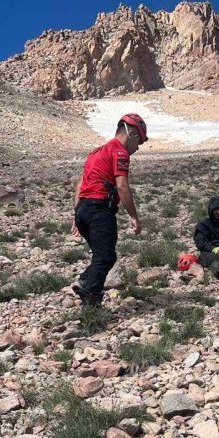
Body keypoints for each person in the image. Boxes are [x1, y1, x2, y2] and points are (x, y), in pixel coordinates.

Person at [70, 113, 147, 306]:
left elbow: (80, 185)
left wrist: (76, 217)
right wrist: (134, 217)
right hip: (99, 209)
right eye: (139, 142)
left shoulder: (96, 152)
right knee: (104, 256)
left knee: (104, 255)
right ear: (133, 134)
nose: (137, 149)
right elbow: (122, 186)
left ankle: (85, 284)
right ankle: (90, 295)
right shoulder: (119, 151)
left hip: (83, 209)